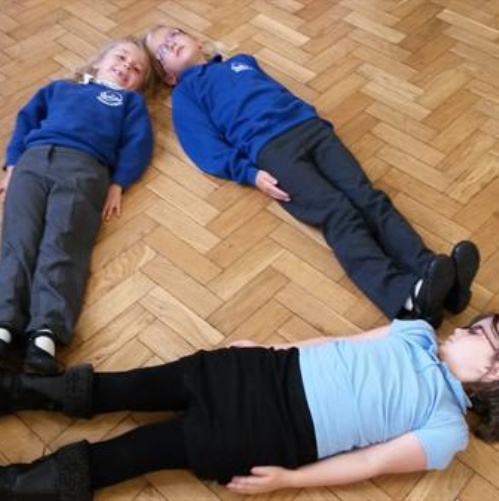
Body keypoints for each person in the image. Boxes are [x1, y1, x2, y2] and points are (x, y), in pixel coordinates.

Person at [143, 25, 480, 329]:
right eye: (162, 50)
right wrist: (249, 172)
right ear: (169, 77)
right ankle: (406, 300)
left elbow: (280, 93)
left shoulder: (243, 61)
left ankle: (439, 279)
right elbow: (204, 147)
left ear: (195, 38)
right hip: (271, 151)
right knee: (338, 213)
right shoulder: (186, 93)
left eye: (174, 35)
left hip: (311, 130)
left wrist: (315, 121)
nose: (171, 43)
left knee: (370, 199)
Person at [0, 314, 499, 499]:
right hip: (259, 372)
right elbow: (336, 343)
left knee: (138, 451)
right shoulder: (415, 332)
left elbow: (369, 462)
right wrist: (268, 349)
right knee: (125, 387)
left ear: (494, 373)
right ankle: (16, 389)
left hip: (270, 431)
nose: (464, 327)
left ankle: (16, 485)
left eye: (479, 332)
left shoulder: (446, 428)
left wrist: (289, 480)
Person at [0, 37, 155, 374]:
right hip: (33, 162)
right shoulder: (58, 89)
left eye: (136, 69)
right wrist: (11, 165)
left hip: (85, 170)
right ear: (98, 62)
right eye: (121, 57)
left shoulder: (128, 103)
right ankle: (5, 323)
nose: (126, 67)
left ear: (140, 84)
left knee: (63, 245)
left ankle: (46, 332)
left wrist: (119, 182)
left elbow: (138, 144)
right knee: (18, 241)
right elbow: (25, 122)